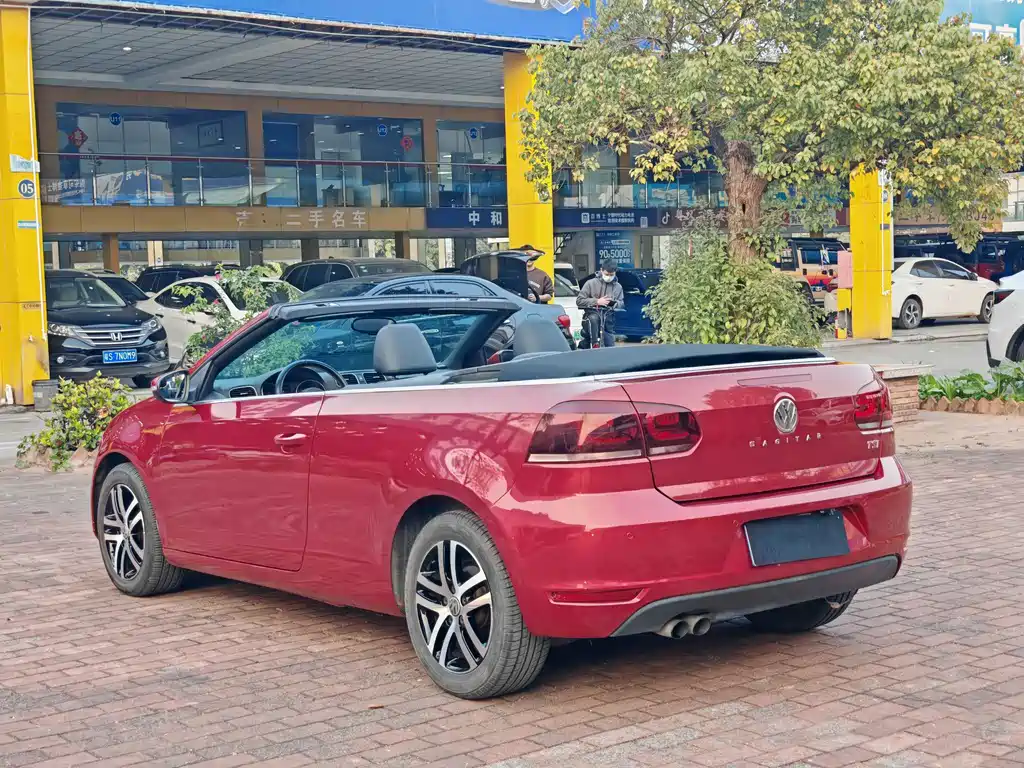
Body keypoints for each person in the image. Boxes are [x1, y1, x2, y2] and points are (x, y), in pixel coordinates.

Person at [577, 259, 624, 348]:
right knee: (593, 320)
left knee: (610, 347)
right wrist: (596, 301)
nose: (609, 277)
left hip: (608, 322)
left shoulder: (618, 287)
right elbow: (579, 300)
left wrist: (614, 303)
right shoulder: (591, 283)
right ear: (601, 270)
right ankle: (594, 344)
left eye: (611, 275)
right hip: (591, 320)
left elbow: (621, 303)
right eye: (607, 274)